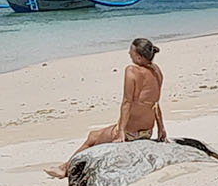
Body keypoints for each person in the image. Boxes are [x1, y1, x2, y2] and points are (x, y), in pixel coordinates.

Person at [46, 38, 167, 178]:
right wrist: (161, 128)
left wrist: (121, 131)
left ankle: (65, 168)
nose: (128, 53)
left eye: (131, 52)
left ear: (139, 57)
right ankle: (68, 167)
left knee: (93, 137)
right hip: (147, 131)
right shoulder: (157, 71)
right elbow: (155, 103)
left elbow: (127, 102)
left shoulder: (132, 71)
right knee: (98, 136)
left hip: (130, 132)